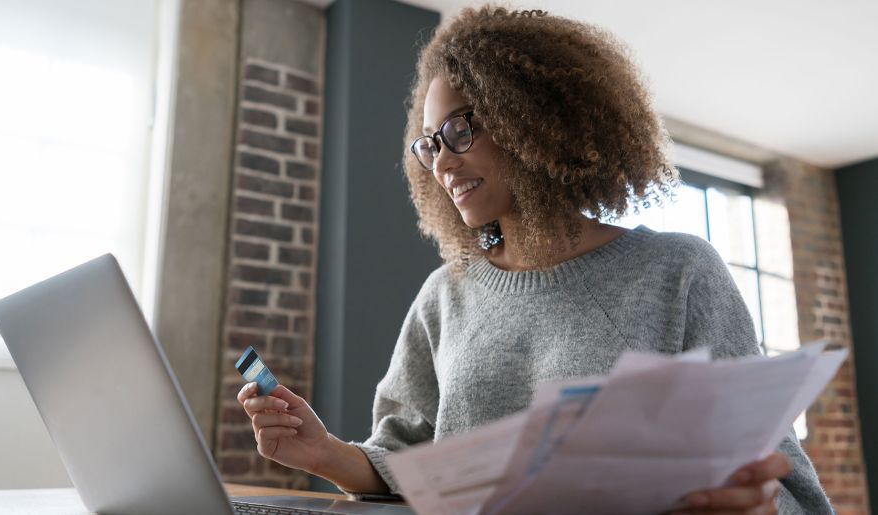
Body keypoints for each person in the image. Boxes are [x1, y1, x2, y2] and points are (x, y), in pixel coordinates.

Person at [237, 5, 833, 514]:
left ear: (535, 120)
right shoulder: (446, 296)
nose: (442, 162)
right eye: (429, 143)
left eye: (460, 129)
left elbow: (787, 489)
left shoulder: (679, 273)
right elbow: (406, 468)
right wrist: (326, 455)